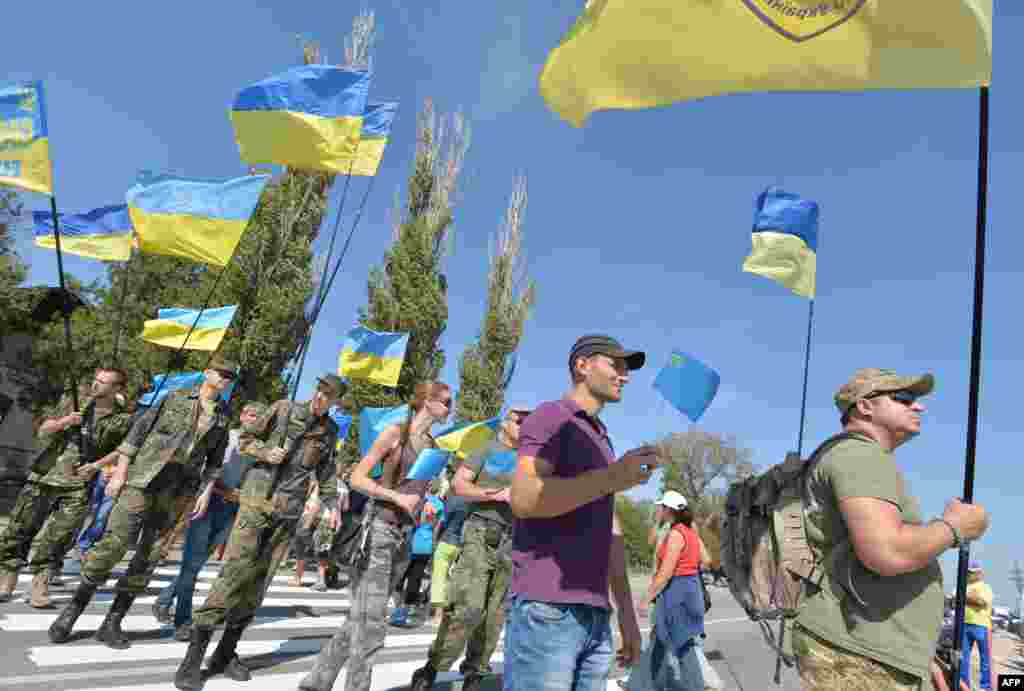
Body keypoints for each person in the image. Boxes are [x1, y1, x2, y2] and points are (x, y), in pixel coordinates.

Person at [791, 368, 990, 690]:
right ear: (865, 406)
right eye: (904, 398)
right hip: (857, 652)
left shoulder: (856, 455)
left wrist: (917, 656)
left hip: (877, 649)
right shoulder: (858, 455)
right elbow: (888, 552)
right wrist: (956, 526)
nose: (918, 406)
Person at [506, 334, 662, 690]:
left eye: (627, 368)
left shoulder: (601, 437)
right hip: (548, 608)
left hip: (595, 614)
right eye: (616, 365)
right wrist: (613, 477)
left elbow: (611, 529)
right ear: (582, 366)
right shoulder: (550, 417)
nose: (625, 376)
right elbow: (524, 499)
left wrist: (626, 613)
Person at [173, 373, 345, 690]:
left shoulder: (329, 431)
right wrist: (266, 452)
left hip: (287, 513)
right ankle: (192, 659)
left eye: (329, 395)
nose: (322, 397)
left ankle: (225, 653)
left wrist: (332, 503)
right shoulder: (283, 408)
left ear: (336, 401)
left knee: (257, 585)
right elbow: (245, 441)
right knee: (233, 576)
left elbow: (326, 471)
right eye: (320, 390)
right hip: (256, 504)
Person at [48, 359, 235, 647]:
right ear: (207, 373)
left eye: (230, 376)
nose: (225, 379)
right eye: (221, 373)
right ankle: (72, 611)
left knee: (149, 557)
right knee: (114, 544)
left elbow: (214, 461)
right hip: (142, 479)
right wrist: (119, 473)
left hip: (177, 491)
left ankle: (113, 622)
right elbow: (137, 434)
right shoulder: (175, 398)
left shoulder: (223, 416)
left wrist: (206, 491)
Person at [297, 380, 453, 691]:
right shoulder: (396, 433)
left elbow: (418, 490)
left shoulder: (434, 448)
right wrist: (395, 497)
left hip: (405, 537)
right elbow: (357, 478)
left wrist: (424, 506)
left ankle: (316, 681)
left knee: (361, 616)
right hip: (379, 530)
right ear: (427, 401)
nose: (451, 408)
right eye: (446, 401)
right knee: (371, 624)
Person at [410, 405, 532, 691]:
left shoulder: (531, 460)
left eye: (530, 422)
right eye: (519, 420)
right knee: (468, 607)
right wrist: (496, 494)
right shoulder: (485, 449)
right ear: (505, 423)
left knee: (494, 616)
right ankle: (433, 666)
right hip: (480, 532)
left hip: (514, 540)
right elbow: (459, 485)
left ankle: (474, 672)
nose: (524, 426)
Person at [0, 368, 133, 607]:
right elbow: (42, 430)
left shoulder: (123, 419)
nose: (96, 385)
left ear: (117, 388)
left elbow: (124, 449)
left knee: (58, 536)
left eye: (103, 382)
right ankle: (7, 577)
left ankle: (40, 584)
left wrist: (96, 465)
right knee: (19, 528)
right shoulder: (73, 402)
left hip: (78, 484)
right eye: (95, 379)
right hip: (44, 475)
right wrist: (65, 421)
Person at [152, 401, 266, 640]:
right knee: (191, 564)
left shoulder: (259, 448)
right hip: (207, 501)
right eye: (252, 415)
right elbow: (209, 470)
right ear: (243, 415)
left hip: (232, 508)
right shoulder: (228, 438)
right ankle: (183, 621)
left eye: (260, 417)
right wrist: (226, 491)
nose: (255, 420)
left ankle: (164, 599)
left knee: (198, 562)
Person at [646, 491, 711, 691]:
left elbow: (667, 573)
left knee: (682, 645)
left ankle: (696, 685)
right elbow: (706, 560)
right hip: (680, 590)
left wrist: (645, 599)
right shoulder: (683, 530)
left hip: (675, 591)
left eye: (662, 507)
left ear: (669, 510)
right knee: (661, 639)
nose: (659, 510)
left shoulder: (678, 533)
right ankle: (649, 684)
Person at [390, 489, 443, 627]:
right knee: (415, 579)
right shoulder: (439, 504)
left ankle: (397, 608)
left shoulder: (416, 499)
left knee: (398, 576)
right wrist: (434, 546)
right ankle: (404, 611)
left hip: (409, 541)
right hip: (425, 544)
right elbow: (437, 528)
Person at [428, 490, 468, 626]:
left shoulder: (453, 499)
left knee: (439, 577)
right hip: (462, 544)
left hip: (446, 541)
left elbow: (442, 522)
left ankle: (438, 615)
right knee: (455, 579)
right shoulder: (472, 502)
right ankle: (450, 613)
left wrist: (434, 541)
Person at [960, 561, 993, 691]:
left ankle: (986, 687)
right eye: (968, 572)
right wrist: (969, 598)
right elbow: (956, 600)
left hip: (982, 626)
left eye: (972, 572)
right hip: (964, 624)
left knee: (985, 659)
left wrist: (964, 597)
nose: (969, 575)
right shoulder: (964, 586)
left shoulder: (985, 588)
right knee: (963, 659)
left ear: (979, 573)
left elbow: (981, 602)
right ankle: (964, 686)